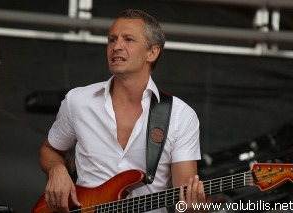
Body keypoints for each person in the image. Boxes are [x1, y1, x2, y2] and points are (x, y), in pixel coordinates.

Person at [39, 8, 210, 213]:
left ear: (152, 52)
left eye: (128, 39)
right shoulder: (78, 100)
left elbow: (185, 196)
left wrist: (195, 208)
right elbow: (50, 150)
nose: (116, 46)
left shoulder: (180, 115)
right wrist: (57, 169)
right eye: (112, 40)